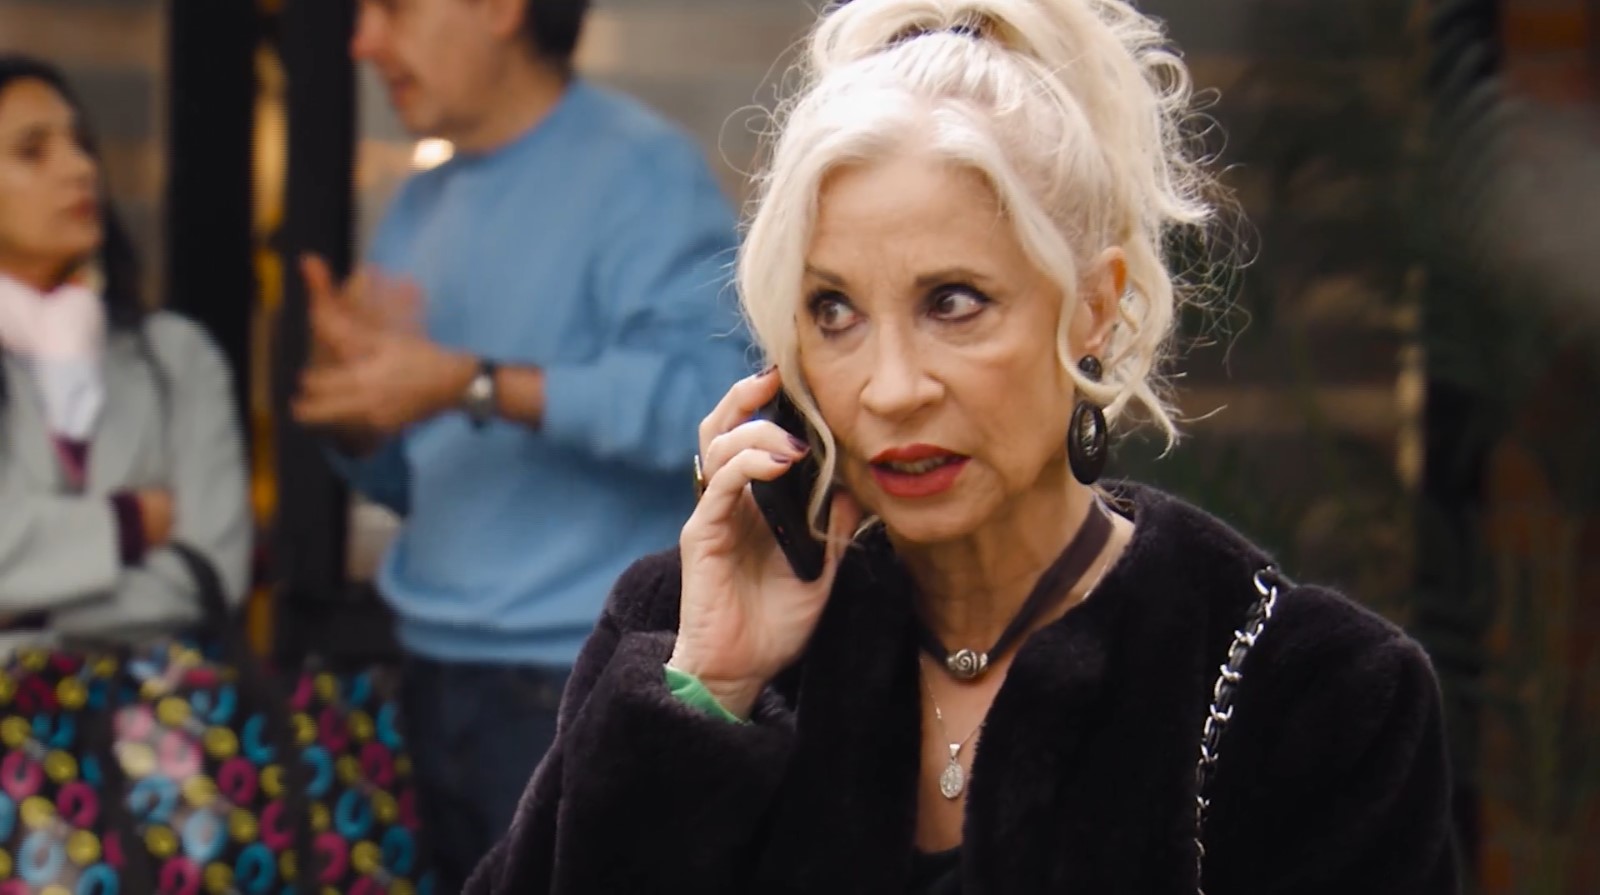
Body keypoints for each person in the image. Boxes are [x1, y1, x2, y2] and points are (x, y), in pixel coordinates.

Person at [466, 1, 1460, 893]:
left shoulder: (1314, 693)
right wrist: (707, 695)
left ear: (1093, 307)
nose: (891, 387)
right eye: (834, 311)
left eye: (953, 302)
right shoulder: (677, 633)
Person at [290, 0, 749, 888]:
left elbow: (711, 404)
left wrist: (472, 383)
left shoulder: (642, 172)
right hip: (426, 669)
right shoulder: (419, 201)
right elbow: (420, 479)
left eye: (392, 7)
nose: (364, 40)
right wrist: (359, 418)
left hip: (574, 679)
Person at [0, 56, 250, 652]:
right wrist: (129, 524)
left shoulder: (178, 356)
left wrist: (30, 614)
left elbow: (211, 572)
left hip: (145, 705)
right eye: (33, 152)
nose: (80, 168)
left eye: (81, 144)